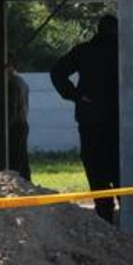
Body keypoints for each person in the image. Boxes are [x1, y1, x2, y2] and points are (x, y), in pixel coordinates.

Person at [50, 14, 120, 223]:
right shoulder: (125, 50)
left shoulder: (85, 51)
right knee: (120, 173)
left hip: (92, 121)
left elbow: (57, 72)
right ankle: (128, 219)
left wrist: (76, 96)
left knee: (97, 172)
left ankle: (105, 217)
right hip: (120, 123)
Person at [5, 57, 31, 181]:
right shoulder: (21, 82)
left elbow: (13, 108)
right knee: (22, 161)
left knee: (15, 161)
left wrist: (5, 127)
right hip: (21, 124)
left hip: (14, 126)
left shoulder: (12, 83)